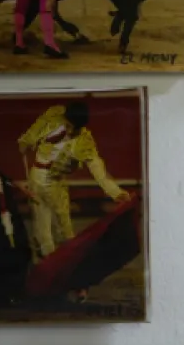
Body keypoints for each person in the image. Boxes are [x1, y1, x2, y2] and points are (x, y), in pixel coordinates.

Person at [16, 102, 130, 265]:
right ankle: (45, 267)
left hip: (55, 183)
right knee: (42, 228)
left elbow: (97, 168)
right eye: (68, 126)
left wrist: (115, 192)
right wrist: (26, 140)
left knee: (64, 229)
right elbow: (36, 129)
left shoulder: (84, 141)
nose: (70, 131)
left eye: (74, 129)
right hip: (36, 177)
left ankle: (66, 267)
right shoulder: (54, 115)